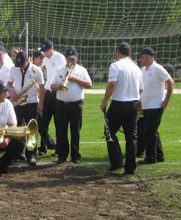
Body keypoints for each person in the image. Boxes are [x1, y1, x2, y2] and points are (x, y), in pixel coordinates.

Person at [100, 42, 143, 175]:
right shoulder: (137, 68)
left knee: (109, 131)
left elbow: (112, 85)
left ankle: (117, 161)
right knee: (131, 137)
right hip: (133, 104)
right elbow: (141, 89)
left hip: (119, 103)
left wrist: (105, 101)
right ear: (129, 53)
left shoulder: (115, 65)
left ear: (118, 53)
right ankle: (130, 168)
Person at [50, 47, 92, 164]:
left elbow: (89, 84)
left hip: (76, 105)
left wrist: (75, 79)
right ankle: (62, 156)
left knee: (75, 131)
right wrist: (60, 86)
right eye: (68, 59)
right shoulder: (59, 69)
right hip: (61, 105)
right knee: (61, 131)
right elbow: (52, 86)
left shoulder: (82, 70)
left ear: (77, 59)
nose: (70, 62)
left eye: (72, 59)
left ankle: (75, 156)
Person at [7, 51, 45, 166]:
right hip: (17, 103)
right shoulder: (13, 69)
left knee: (31, 129)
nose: (21, 67)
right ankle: (16, 153)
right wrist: (11, 92)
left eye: (22, 64)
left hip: (32, 102)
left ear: (28, 60)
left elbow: (42, 88)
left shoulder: (36, 70)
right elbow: (9, 84)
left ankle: (31, 155)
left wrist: (41, 104)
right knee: (16, 129)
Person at [137, 48, 174, 164]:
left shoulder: (158, 69)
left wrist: (166, 100)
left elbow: (170, 82)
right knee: (152, 131)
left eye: (141, 57)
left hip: (156, 106)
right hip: (145, 106)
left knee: (150, 132)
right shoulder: (143, 69)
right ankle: (159, 156)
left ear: (148, 57)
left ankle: (151, 158)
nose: (140, 59)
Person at [39, 39, 64, 155]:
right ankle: (43, 148)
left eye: (47, 51)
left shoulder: (60, 58)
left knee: (58, 122)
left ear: (52, 48)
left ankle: (59, 150)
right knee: (44, 122)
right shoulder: (45, 59)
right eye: (44, 51)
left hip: (57, 93)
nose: (45, 53)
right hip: (48, 92)